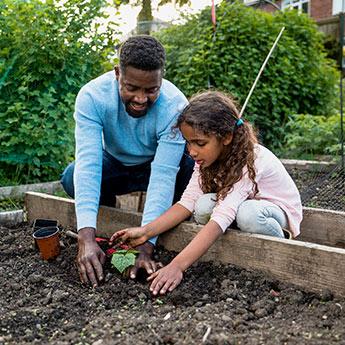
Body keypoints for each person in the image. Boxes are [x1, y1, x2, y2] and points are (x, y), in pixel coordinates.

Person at [110, 90, 303, 295]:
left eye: (200, 143)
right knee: (202, 205)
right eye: (188, 142)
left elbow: (223, 215)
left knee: (248, 214)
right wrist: (146, 232)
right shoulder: (205, 161)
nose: (192, 151)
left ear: (226, 137)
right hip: (241, 207)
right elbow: (187, 202)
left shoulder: (250, 160)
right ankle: (239, 246)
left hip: (275, 213)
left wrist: (177, 266)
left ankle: (283, 243)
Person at [60, 35, 194, 288]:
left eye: (151, 90)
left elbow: (163, 176)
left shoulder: (175, 106)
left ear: (161, 80)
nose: (141, 98)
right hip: (115, 163)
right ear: (117, 74)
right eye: (132, 88)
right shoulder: (92, 97)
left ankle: (175, 219)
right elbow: (89, 163)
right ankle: (107, 215)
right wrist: (86, 237)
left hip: (158, 165)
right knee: (71, 177)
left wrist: (145, 249)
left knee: (192, 166)